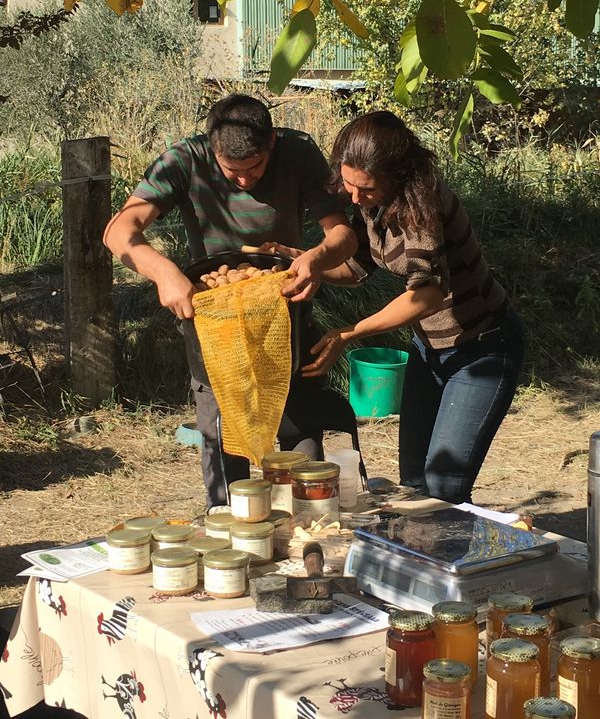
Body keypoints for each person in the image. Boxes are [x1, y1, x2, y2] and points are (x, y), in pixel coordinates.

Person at [103, 94, 357, 508]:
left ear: (271, 142)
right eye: (231, 171)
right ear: (212, 148)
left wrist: (315, 259)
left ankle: (305, 525)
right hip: (216, 330)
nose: (243, 180)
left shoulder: (298, 153)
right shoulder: (185, 161)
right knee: (224, 444)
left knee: (301, 446)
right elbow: (118, 231)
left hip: (285, 320)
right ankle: (228, 524)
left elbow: (343, 236)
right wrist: (165, 273)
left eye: (254, 168)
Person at [294, 110, 524, 504]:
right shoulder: (373, 200)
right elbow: (357, 267)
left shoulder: (422, 207)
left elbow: (427, 294)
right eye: (348, 184)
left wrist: (350, 333)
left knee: (444, 486)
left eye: (365, 189)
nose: (355, 197)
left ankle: (455, 543)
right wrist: (305, 265)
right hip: (429, 348)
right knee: (414, 482)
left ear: (396, 175)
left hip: (483, 347)